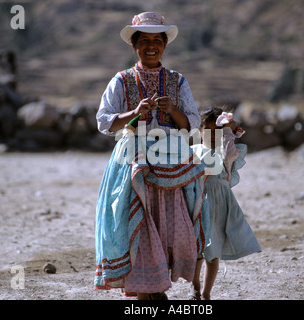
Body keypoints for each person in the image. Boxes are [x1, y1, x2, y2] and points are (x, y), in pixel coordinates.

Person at [94, 12, 210, 300]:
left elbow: (192, 123)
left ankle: (156, 286)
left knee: (169, 226)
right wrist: (134, 113)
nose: (150, 46)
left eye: (156, 40)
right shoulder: (121, 81)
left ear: (164, 46)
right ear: (134, 45)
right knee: (138, 222)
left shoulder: (177, 81)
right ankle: (149, 289)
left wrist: (172, 110)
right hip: (134, 164)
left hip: (172, 166)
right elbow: (104, 121)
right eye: (143, 40)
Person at [189, 106, 261, 300]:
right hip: (197, 204)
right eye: (210, 130)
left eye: (218, 131)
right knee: (197, 250)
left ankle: (206, 293)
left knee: (213, 253)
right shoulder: (193, 151)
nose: (214, 135)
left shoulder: (226, 153)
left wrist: (229, 127)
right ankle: (194, 286)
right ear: (199, 131)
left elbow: (233, 143)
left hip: (220, 206)